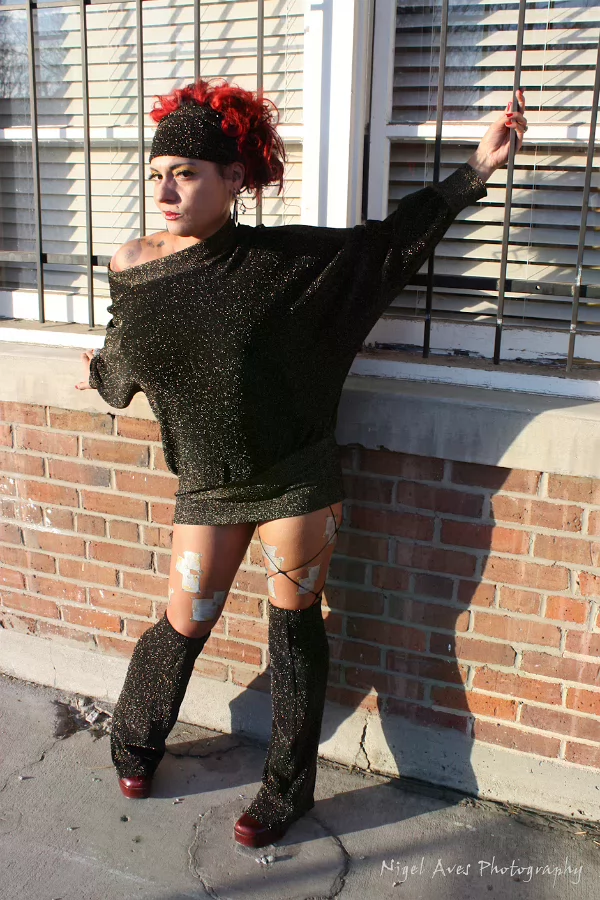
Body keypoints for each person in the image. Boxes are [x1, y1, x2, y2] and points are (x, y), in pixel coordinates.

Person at [75, 78, 527, 848]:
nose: (165, 191)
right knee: (185, 620)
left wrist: (475, 171)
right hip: (209, 483)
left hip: (294, 476)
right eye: (157, 174)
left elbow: (385, 248)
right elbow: (129, 350)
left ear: (234, 179)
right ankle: (135, 740)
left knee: (293, 627)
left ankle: (288, 787)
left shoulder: (282, 262)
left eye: (185, 173)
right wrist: (103, 374)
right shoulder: (135, 263)